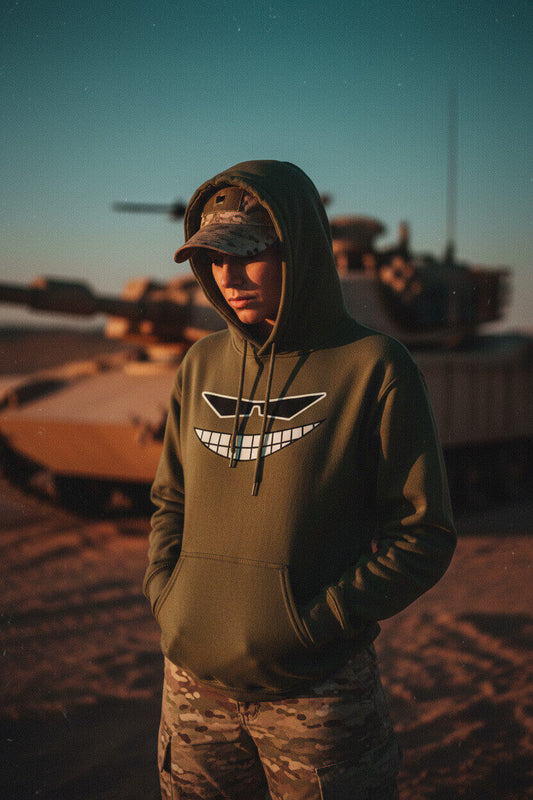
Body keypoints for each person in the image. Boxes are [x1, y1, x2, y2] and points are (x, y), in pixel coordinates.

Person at [143, 159, 456, 800]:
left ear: (300, 251)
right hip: (191, 687)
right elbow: (170, 499)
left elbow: (423, 533)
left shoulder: (372, 366)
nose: (227, 276)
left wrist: (316, 621)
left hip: (315, 696)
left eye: (249, 254)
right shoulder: (201, 363)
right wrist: (167, 597)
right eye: (212, 258)